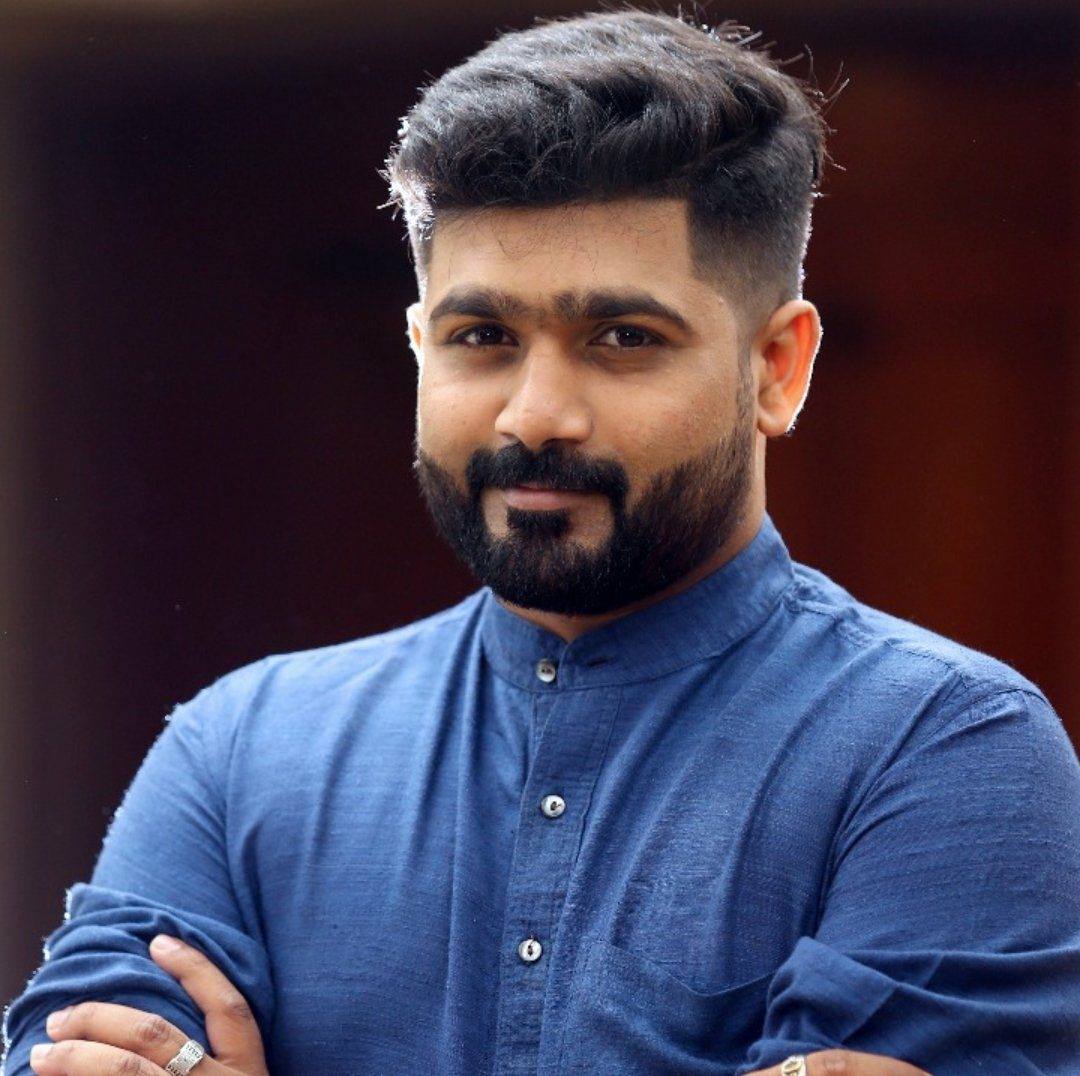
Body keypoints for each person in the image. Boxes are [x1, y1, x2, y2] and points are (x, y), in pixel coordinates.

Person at [4, 9, 1079, 1076]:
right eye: (483, 337)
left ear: (778, 369)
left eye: (623, 338)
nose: (534, 415)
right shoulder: (241, 752)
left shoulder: (945, 746)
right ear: (419, 345)